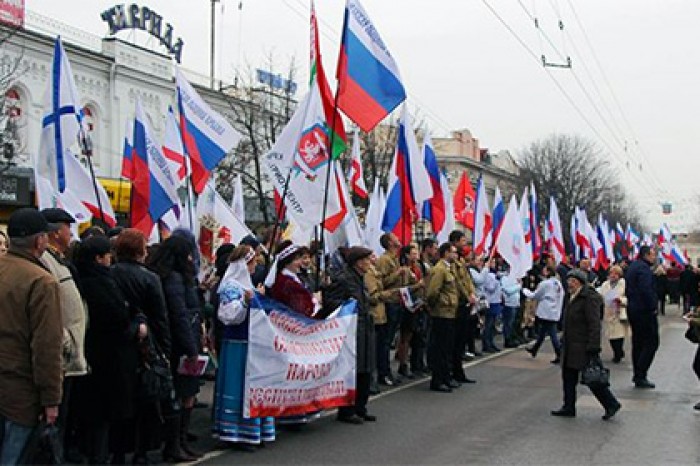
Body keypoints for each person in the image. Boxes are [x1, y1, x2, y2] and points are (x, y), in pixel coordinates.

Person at [0, 208, 63, 465]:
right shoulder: (41, 282)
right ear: (40, 241)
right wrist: (51, 399)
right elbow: (46, 347)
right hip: (20, 392)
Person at [74, 235, 143, 464]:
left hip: (91, 356)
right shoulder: (100, 284)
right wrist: (135, 325)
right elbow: (117, 318)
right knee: (104, 417)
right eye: (106, 255)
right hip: (109, 357)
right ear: (98, 258)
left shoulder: (80, 278)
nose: (110, 259)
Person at [111, 228, 171, 463]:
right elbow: (160, 317)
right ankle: (140, 452)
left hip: (117, 344)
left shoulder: (110, 274)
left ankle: (116, 452)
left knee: (120, 401)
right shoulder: (149, 278)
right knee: (146, 401)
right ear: (139, 251)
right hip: (145, 345)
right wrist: (165, 349)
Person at [148, 235, 204, 462]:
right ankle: (174, 444)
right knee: (184, 394)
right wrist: (192, 349)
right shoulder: (174, 280)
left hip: (179, 340)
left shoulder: (169, 276)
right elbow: (179, 315)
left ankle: (179, 441)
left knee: (184, 394)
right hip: (180, 344)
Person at [213, 245, 275, 449]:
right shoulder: (231, 286)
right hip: (237, 344)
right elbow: (228, 316)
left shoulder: (248, 285)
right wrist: (248, 302)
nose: (255, 265)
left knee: (253, 385)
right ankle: (237, 431)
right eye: (253, 261)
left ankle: (254, 429)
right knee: (239, 386)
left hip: (253, 343)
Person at [39, 208, 88, 461]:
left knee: (62, 418)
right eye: (69, 228)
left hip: (68, 356)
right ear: (57, 232)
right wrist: (67, 340)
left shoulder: (58, 260)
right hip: (60, 355)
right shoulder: (45, 262)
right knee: (51, 421)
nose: (71, 233)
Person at [551, 269, 621, 420]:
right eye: (569, 280)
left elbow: (594, 324)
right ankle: (568, 406)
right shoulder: (571, 296)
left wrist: (593, 346)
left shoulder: (589, 298)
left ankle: (611, 403)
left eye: (573, 281)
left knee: (592, 378)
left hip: (583, 345)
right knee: (568, 377)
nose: (570, 283)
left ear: (580, 282)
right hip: (570, 344)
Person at [324, 246, 377, 424]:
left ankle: (361, 407)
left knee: (366, 369)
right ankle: (347, 410)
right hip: (351, 330)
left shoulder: (361, 279)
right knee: (352, 370)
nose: (369, 263)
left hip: (365, 326)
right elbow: (330, 301)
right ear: (358, 262)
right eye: (367, 260)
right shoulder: (344, 279)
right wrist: (348, 305)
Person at [376, 233, 415, 386]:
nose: (399, 239)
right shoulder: (385, 260)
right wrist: (397, 274)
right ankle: (383, 372)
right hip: (390, 302)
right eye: (395, 238)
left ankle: (388, 372)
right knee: (386, 340)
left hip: (399, 301)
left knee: (392, 336)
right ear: (390, 243)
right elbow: (382, 282)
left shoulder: (396, 259)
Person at [426, 243, 464, 392]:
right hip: (441, 313)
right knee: (440, 348)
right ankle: (438, 380)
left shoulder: (449, 268)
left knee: (447, 348)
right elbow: (432, 292)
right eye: (453, 252)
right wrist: (437, 305)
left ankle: (446, 377)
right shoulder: (440, 269)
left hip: (450, 312)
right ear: (446, 253)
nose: (455, 255)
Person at [625, 246, 659, 389]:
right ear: (645, 255)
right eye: (652, 255)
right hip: (644, 311)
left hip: (633, 309)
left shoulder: (633, 266)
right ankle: (640, 373)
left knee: (638, 343)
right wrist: (652, 306)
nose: (654, 257)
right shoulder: (644, 269)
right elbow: (646, 289)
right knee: (652, 342)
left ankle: (638, 374)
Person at [267, 241, 319, 318]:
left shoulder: (289, 278)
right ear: (287, 262)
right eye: (296, 260)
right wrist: (316, 300)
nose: (299, 262)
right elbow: (302, 310)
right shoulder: (287, 283)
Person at [524, 265, 564, 363]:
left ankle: (559, 354)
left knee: (552, 334)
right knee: (543, 332)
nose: (543, 272)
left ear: (548, 272)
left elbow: (536, 295)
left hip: (547, 312)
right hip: (554, 311)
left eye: (544, 270)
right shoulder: (558, 283)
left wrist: (525, 291)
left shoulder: (545, 283)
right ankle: (535, 349)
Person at [396, 244, 424, 379]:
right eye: (413, 253)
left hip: (417, 303)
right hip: (406, 305)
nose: (416, 255)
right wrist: (417, 286)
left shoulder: (417, 267)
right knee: (405, 337)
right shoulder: (404, 269)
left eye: (416, 252)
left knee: (415, 335)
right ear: (407, 255)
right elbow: (404, 288)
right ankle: (403, 364)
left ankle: (415, 363)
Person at [598, 265, 630, 363]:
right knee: (611, 336)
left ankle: (618, 353)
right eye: (611, 273)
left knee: (619, 335)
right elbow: (601, 296)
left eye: (616, 274)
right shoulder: (605, 285)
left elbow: (629, 297)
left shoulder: (624, 284)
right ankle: (617, 351)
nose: (613, 275)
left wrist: (621, 300)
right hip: (608, 312)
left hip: (619, 312)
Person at [500, 267, 522, 348]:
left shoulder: (515, 278)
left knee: (512, 323)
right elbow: (507, 290)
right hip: (509, 304)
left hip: (515, 303)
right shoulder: (505, 278)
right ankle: (507, 340)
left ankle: (512, 338)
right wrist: (518, 286)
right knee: (508, 323)